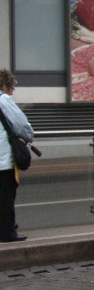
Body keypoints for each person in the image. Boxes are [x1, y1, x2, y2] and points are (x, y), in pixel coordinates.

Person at [0, 69, 33, 243]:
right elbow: (21, 125)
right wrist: (29, 136)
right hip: (3, 160)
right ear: (4, 85)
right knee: (6, 197)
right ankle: (7, 233)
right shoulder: (3, 100)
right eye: (11, 87)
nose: (12, 92)